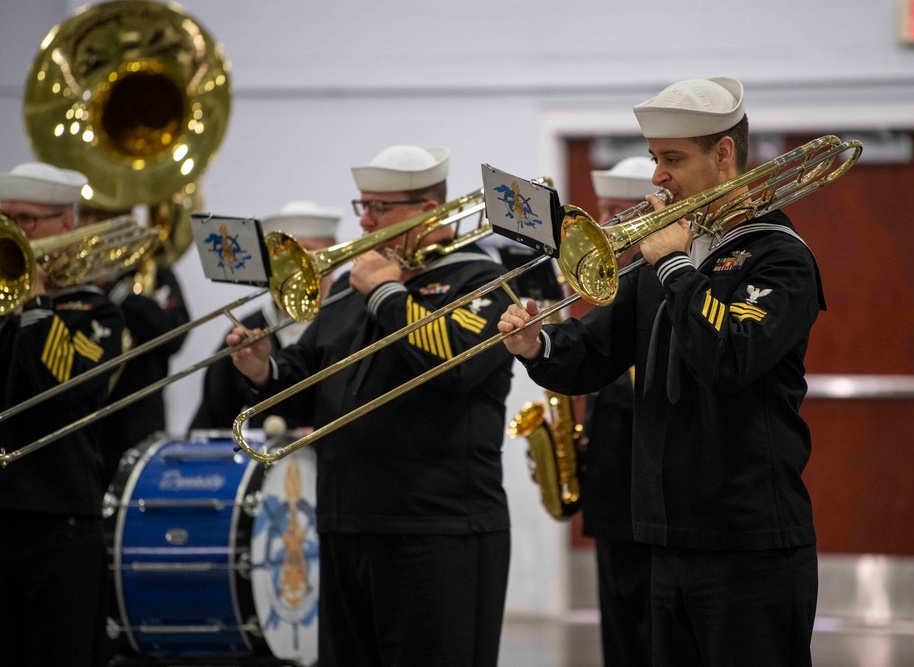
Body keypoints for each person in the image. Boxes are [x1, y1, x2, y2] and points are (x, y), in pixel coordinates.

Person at [500, 77, 825, 666]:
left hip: (749, 542)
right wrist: (536, 342)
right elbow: (594, 351)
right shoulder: (665, 261)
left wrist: (674, 264)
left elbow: (729, 358)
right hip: (664, 537)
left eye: (672, 159)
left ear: (724, 155)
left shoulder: (779, 256)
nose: (657, 177)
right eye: (655, 159)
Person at [226, 145, 514, 666]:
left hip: (438, 529)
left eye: (380, 208)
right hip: (345, 523)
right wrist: (263, 367)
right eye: (364, 204)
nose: (364, 220)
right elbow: (305, 382)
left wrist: (385, 293)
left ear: (428, 214)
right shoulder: (348, 292)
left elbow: (454, 366)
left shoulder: (482, 283)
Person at [0, 162, 129, 666]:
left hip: (59, 517)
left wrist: (34, 302)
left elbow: (59, 387)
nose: (13, 232)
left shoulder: (97, 312)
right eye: (5, 218)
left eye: (27, 219)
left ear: (67, 224)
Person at [581, 156, 656, 667]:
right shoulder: (604, 290)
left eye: (614, 215)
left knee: (653, 632)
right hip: (610, 490)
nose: (602, 229)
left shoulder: (658, 283)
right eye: (600, 214)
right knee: (619, 635)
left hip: (650, 492)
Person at [188, 200, 342, 433]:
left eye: (309, 253)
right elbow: (213, 416)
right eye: (285, 257)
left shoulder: (349, 319)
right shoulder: (250, 327)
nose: (298, 267)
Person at [77, 205, 192, 486]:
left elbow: (174, 334)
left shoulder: (155, 272)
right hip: (82, 424)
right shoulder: (72, 281)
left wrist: (118, 293)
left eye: (102, 217)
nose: (92, 226)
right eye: (86, 215)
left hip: (138, 422)